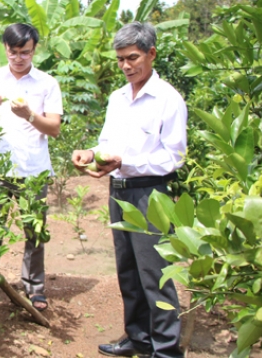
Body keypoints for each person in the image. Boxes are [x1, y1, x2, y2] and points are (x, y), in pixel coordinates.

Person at [71, 22, 186, 358]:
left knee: (155, 273)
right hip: (119, 189)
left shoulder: (168, 99)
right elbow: (109, 142)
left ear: (151, 54)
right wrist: (92, 154)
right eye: (120, 59)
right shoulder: (117, 98)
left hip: (151, 194)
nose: (125, 66)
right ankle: (137, 338)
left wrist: (125, 161)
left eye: (132, 57)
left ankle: (165, 349)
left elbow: (173, 157)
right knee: (128, 270)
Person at [0, 23, 63, 311]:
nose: (19, 58)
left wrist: (30, 115)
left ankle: (35, 288)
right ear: (5, 49)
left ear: (35, 50)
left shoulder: (47, 83)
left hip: (33, 170)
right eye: (13, 52)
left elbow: (55, 128)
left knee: (34, 232)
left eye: (25, 52)